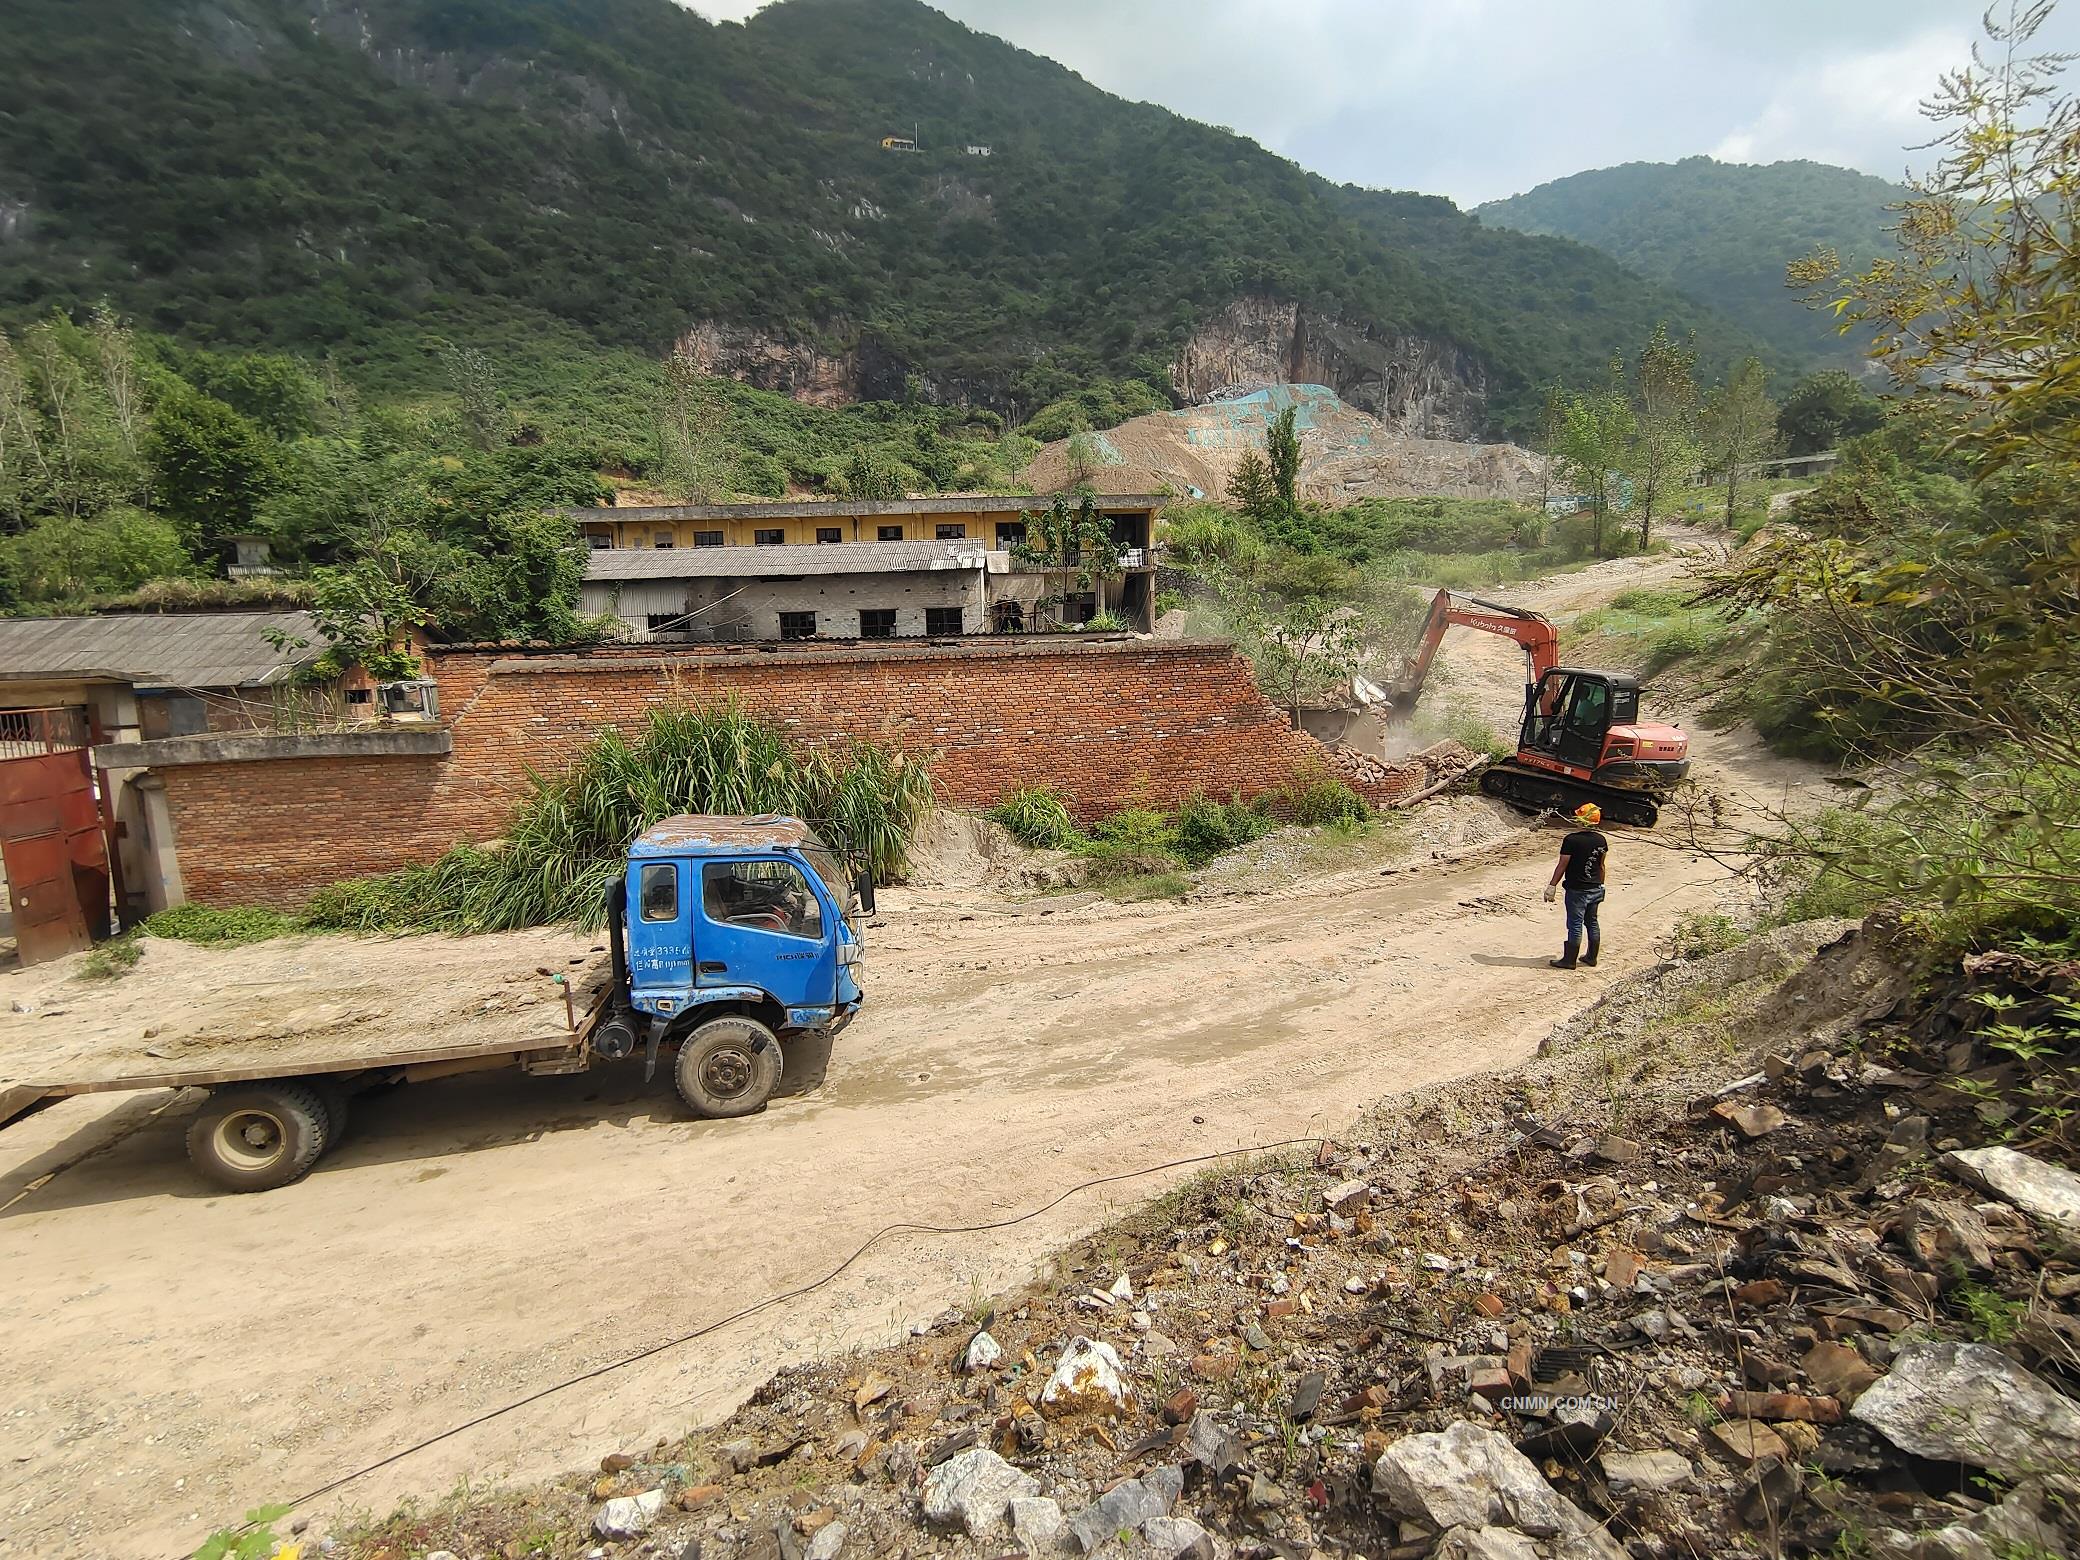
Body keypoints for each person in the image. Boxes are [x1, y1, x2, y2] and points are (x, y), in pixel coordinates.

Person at [1541, 802, 1608, 970]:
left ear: (1581, 819)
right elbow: (1601, 865)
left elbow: (1562, 865)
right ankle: (1591, 957)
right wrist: (1601, 884)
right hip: (1596, 887)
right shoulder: (1601, 840)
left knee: (1575, 924)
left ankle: (1569, 960)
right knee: (1592, 922)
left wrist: (1552, 885)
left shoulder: (1571, 840)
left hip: (1577, 889)